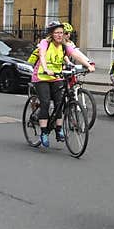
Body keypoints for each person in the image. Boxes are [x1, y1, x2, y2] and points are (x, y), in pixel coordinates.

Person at [30, 20, 96, 148]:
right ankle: (43, 132)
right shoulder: (45, 43)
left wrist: (88, 65)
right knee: (45, 102)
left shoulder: (65, 45)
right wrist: (45, 68)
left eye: (61, 33)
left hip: (56, 77)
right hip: (42, 77)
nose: (60, 35)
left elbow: (76, 54)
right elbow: (42, 55)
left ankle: (59, 128)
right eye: (57, 33)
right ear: (51, 34)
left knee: (60, 102)